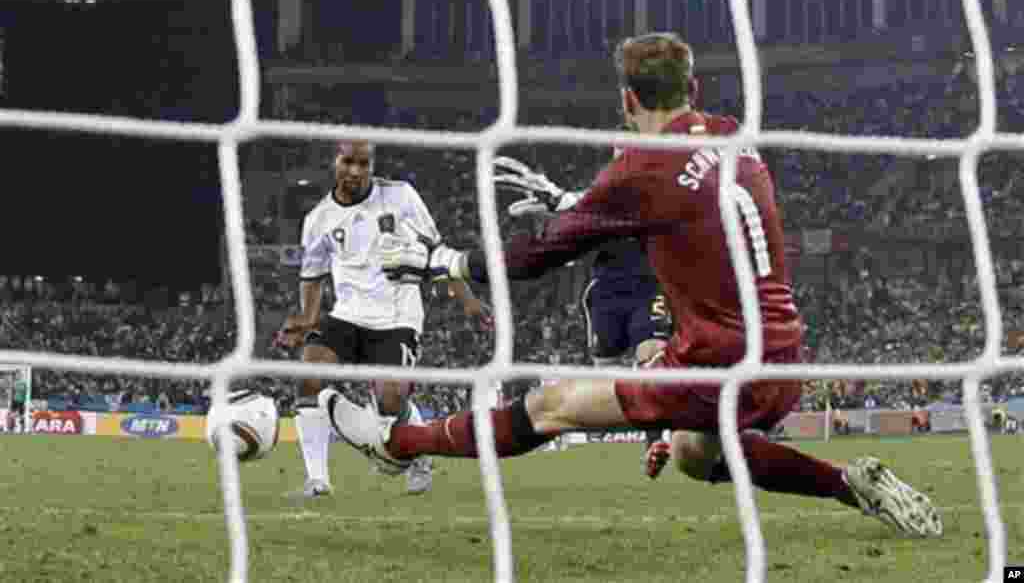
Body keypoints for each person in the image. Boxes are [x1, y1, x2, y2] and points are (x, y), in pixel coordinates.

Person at [321, 33, 942, 537]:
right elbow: (683, 210)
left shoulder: (640, 170)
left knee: (551, 406)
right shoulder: (733, 137)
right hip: (782, 352)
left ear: (626, 100)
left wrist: (446, 262)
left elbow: (542, 255)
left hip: (715, 362)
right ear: (693, 90)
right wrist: (578, 200)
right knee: (697, 455)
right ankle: (850, 484)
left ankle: (395, 443)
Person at [276, 140, 491, 498]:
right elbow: (312, 276)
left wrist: (466, 299)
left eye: (364, 163)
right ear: (335, 162)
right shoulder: (318, 220)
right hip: (347, 314)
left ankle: (419, 452)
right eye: (348, 162)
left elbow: (436, 250)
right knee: (309, 377)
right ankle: (318, 481)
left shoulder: (401, 196)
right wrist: (308, 319)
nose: (356, 171)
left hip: (397, 316)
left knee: (390, 400)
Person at [493, 155, 673, 474]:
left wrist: (564, 202)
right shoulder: (597, 196)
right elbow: (575, 227)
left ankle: (655, 443)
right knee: (606, 375)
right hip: (604, 294)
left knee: (652, 359)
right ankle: (565, 429)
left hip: (650, 287)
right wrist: (551, 216)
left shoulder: (662, 189)